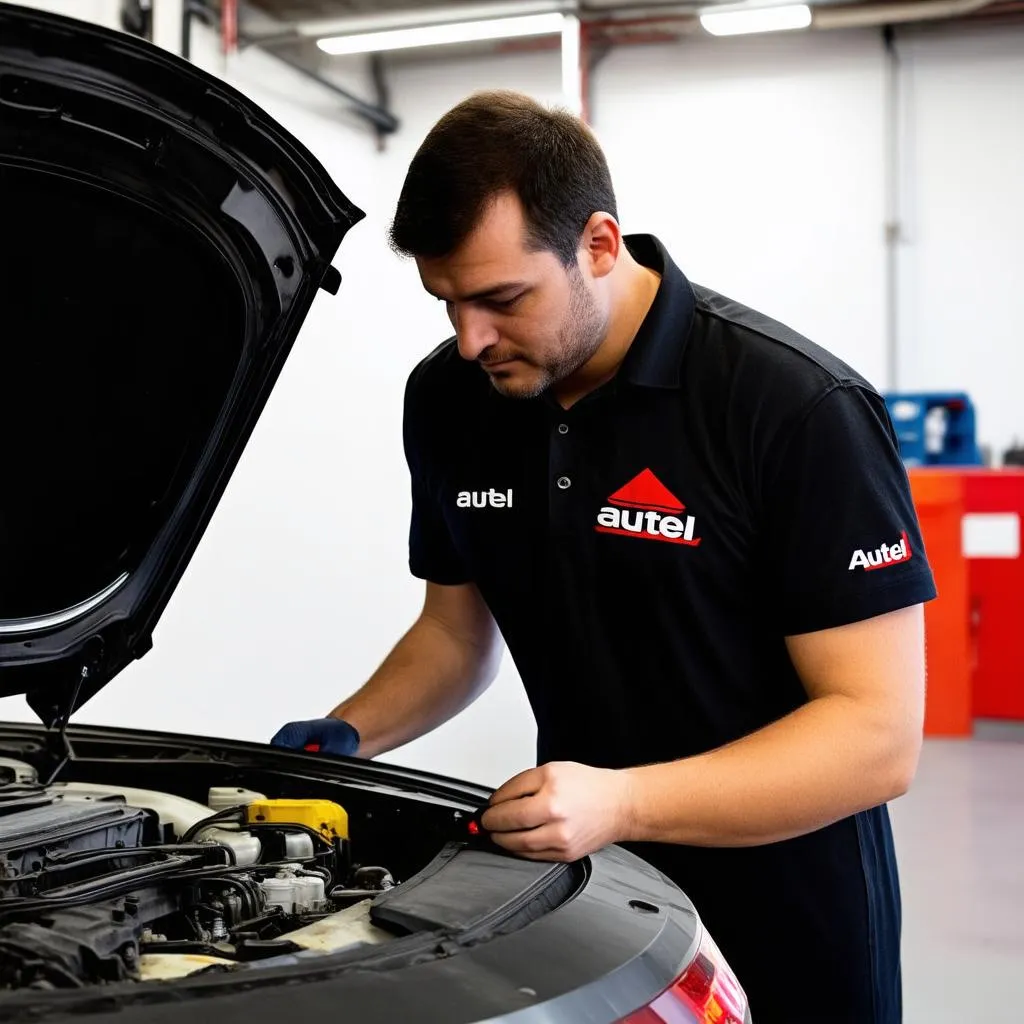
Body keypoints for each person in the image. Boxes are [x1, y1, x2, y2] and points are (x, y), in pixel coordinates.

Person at [271, 90, 936, 1023]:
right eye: (448, 301)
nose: (471, 340)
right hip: (581, 903)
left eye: (503, 299)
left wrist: (623, 802)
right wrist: (345, 738)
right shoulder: (451, 398)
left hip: (790, 914)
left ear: (597, 244)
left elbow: (875, 738)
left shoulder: (793, 408)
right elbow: (456, 637)